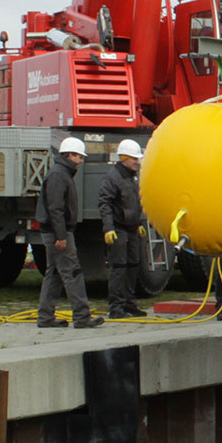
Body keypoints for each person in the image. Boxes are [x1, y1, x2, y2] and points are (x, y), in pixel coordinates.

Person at [35, 136, 103, 329]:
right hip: (58, 234)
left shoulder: (61, 173)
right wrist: (61, 236)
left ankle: (45, 317)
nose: (81, 161)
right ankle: (82, 317)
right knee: (72, 273)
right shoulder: (59, 175)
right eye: (79, 157)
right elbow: (55, 208)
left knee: (54, 274)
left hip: (55, 232)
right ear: (69, 155)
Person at [97, 138, 147, 319]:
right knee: (119, 267)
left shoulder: (133, 176)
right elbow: (105, 204)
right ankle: (116, 308)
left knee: (133, 266)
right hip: (118, 228)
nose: (137, 162)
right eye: (134, 159)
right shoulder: (112, 178)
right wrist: (108, 228)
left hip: (132, 228)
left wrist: (139, 223)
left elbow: (135, 201)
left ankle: (130, 304)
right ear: (124, 158)